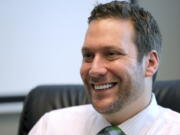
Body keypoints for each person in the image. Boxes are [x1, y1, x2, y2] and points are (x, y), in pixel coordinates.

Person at [29, 1, 180, 135]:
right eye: (88, 56)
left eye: (111, 54)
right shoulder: (52, 127)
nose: (94, 70)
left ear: (150, 63)